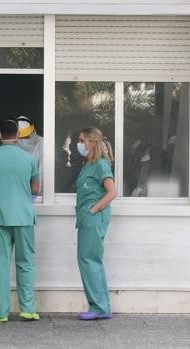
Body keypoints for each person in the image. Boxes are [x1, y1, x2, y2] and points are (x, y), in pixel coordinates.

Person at [0, 119, 40, 323]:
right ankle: (28, 309)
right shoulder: (28, 158)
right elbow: (35, 189)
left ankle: (1, 312)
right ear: (17, 133)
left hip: (0, 216)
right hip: (24, 216)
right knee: (26, 263)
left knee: (1, 263)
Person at [75, 127, 116, 320]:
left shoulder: (101, 165)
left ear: (92, 142)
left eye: (82, 140)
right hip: (86, 219)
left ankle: (99, 307)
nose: (80, 144)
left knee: (89, 260)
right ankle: (100, 305)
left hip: (93, 218)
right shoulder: (88, 165)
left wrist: (94, 209)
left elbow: (112, 192)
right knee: (88, 260)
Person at [15, 115, 44, 195]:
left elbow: (42, 171)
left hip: (37, 194)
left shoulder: (41, 143)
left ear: (33, 131)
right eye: (21, 137)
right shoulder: (11, 145)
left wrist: (36, 194)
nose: (23, 139)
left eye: (26, 136)